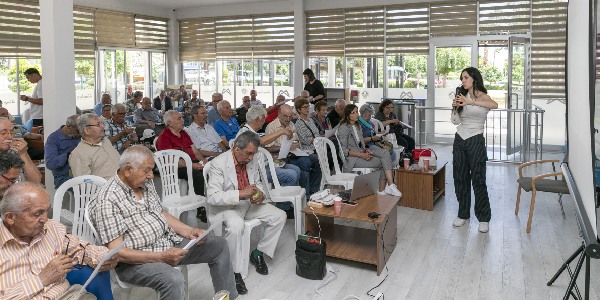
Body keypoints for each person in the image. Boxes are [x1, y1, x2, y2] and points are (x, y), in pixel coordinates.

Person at [89, 145, 239, 299]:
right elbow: (119, 252)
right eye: (146, 171)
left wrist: (189, 231)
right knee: (173, 279)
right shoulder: (107, 200)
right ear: (128, 170)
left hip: (166, 242)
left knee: (218, 246)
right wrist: (161, 257)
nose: (151, 176)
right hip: (134, 262)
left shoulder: (143, 182)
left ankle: (226, 297)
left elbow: (161, 213)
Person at [0, 182, 118, 300]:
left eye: (47, 211)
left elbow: (80, 249)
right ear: (10, 217)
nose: (45, 219)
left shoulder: (52, 229)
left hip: (66, 296)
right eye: (37, 214)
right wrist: (41, 279)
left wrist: (104, 257)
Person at [206, 131, 286, 294]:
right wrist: (241, 194)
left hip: (247, 204)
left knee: (279, 216)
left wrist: (260, 194)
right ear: (236, 148)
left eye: (253, 154)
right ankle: (234, 272)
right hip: (226, 208)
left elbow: (257, 183)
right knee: (236, 225)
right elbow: (213, 198)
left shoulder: (251, 159)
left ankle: (258, 253)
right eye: (248, 153)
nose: (251, 158)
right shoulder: (218, 164)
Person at [450, 67, 498, 233]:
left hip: (476, 139)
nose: (463, 80)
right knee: (460, 178)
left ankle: (484, 218)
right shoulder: (461, 96)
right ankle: (463, 214)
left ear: (474, 79)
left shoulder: (482, 96)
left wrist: (471, 102)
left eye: (465, 77)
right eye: (462, 78)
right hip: (460, 139)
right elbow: (455, 122)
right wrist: (455, 108)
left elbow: (494, 105)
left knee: (478, 180)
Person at [234, 105, 301, 217]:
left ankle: (286, 203)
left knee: (296, 169)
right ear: (257, 119)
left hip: (264, 164)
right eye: (263, 119)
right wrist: (282, 131)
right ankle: (283, 208)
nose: (264, 122)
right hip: (256, 170)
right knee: (291, 175)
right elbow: (262, 141)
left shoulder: (250, 131)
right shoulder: (245, 132)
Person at [337, 104, 402, 197]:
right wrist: (361, 155)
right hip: (352, 159)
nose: (356, 115)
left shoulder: (357, 125)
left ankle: (388, 187)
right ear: (347, 115)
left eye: (356, 112)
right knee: (384, 161)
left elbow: (360, 144)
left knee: (385, 153)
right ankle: (384, 188)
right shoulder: (344, 128)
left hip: (361, 152)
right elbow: (343, 151)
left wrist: (366, 150)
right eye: (353, 113)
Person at [156, 110, 208, 221]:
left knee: (211, 169)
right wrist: (192, 165)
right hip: (174, 168)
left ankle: (213, 201)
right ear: (170, 123)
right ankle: (200, 207)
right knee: (197, 175)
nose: (182, 120)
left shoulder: (184, 133)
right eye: (179, 118)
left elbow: (195, 151)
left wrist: (203, 160)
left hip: (191, 163)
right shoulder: (164, 137)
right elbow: (171, 160)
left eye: (182, 117)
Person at [69, 113, 120, 180]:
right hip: (108, 188)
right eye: (98, 124)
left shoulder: (106, 141)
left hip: (125, 180)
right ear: (86, 130)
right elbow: (84, 184)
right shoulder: (78, 154)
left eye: (102, 123)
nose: (103, 126)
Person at [293, 97, 323, 196]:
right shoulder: (298, 123)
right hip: (307, 150)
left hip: (316, 147)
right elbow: (305, 140)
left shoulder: (310, 120)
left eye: (308, 107)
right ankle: (312, 189)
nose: (307, 109)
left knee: (323, 160)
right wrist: (315, 139)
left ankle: (315, 188)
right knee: (318, 160)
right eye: (304, 107)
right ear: (298, 110)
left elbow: (317, 133)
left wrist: (314, 139)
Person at [0, 118, 41, 183]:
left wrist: (23, 153)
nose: (10, 137)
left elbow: (36, 181)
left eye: (11, 132)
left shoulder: (15, 150)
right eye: (3, 133)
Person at [45, 115, 81, 188]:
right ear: (68, 126)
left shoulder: (81, 135)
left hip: (84, 173)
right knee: (86, 187)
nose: (80, 134)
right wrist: (69, 154)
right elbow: (50, 164)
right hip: (64, 177)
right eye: (77, 131)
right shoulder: (53, 138)